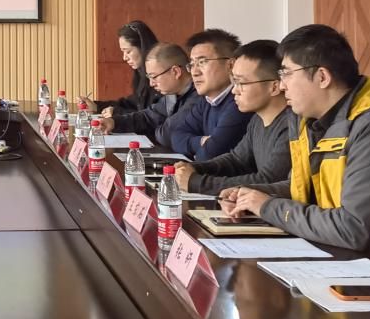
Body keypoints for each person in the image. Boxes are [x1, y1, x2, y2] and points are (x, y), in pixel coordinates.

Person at [221, 24, 370, 274]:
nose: (282, 85)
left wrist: (267, 206)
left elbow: (354, 229)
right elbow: (308, 187)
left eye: (286, 73)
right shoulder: (307, 119)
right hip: (335, 259)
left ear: (322, 77)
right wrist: (251, 195)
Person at [173, 39, 293, 195]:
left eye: (240, 83)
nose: (234, 90)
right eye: (233, 82)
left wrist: (196, 182)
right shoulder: (257, 120)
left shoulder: (291, 126)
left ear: (274, 87)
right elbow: (237, 160)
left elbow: (268, 180)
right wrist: (195, 168)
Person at [167, 29, 249, 160]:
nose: (194, 72)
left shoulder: (240, 103)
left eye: (202, 62)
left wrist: (201, 145)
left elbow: (209, 154)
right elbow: (176, 136)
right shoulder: (206, 101)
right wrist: (201, 141)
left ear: (231, 65)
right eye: (192, 64)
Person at [102, 42, 197, 146]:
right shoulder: (173, 95)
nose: (151, 84)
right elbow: (147, 117)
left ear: (176, 72)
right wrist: (113, 122)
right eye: (149, 77)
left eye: (154, 77)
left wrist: (157, 128)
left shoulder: (198, 96)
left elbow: (165, 134)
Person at [96, 20, 159, 117]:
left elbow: (152, 117)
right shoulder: (141, 73)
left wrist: (118, 112)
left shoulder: (161, 76)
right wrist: (97, 106)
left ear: (143, 48)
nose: (124, 58)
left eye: (128, 51)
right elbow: (131, 104)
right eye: (123, 52)